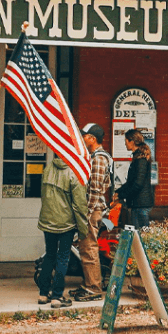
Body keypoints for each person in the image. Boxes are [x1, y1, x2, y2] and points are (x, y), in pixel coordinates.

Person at [37, 152, 89, 308]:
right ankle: (57, 296)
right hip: (66, 222)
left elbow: (43, 194)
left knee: (50, 255)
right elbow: (79, 205)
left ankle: (43, 294)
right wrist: (83, 229)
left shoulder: (47, 169)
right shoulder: (74, 173)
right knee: (63, 258)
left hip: (48, 219)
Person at [71, 123, 112, 302]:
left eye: (84, 136)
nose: (82, 139)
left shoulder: (98, 158)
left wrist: (85, 214)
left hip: (92, 209)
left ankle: (93, 287)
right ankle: (88, 283)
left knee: (89, 248)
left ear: (92, 139)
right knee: (86, 247)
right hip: (94, 208)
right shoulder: (96, 157)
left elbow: (95, 189)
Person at [115, 128, 154, 230]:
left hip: (140, 204)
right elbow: (131, 182)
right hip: (138, 203)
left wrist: (121, 194)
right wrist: (119, 192)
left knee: (140, 236)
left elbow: (137, 184)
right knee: (138, 235)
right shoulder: (138, 158)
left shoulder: (140, 160)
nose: (125, 144)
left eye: (126, 141)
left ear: (132, 141)